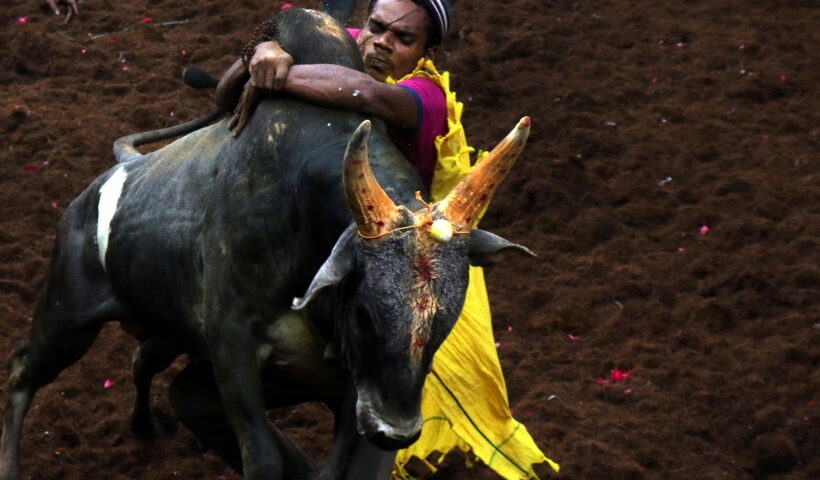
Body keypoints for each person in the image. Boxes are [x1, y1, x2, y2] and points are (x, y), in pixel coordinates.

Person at [217, 1, 559, 478]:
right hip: (324, 246)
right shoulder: (343, 43)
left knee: (394, 377)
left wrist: (275, 75)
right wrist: (264, 49)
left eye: (403, 40)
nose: (381, 43)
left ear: (425, 53)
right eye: (377, 28)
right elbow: (225, 84)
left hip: (409, 274)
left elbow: (364, 94)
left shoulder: (426, 95)